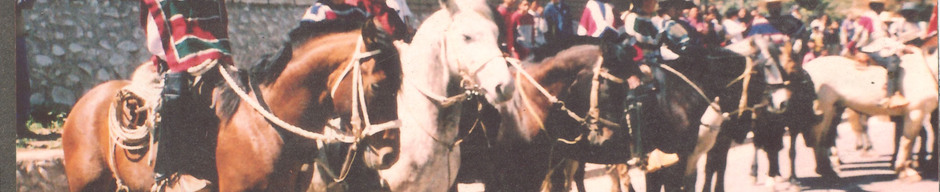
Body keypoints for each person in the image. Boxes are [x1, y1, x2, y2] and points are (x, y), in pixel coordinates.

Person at [139, 0, 232, 189]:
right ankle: (167, 174)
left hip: (214, 63)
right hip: (176, 66)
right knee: (178, 91)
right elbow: (155, 43)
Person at [853, 0, 908, 108]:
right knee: (893, 60)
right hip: (871, 49)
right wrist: (856, 48)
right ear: (877, 6)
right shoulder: (868, 18)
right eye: (882, 6)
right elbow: (860, 35)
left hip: (877, 46)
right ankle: (890, 95)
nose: (883, 8)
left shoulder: (877, 18)